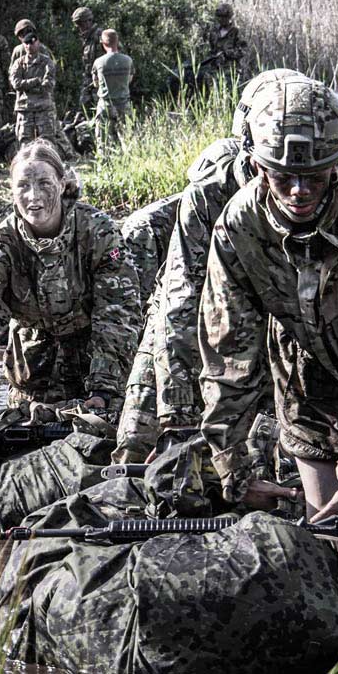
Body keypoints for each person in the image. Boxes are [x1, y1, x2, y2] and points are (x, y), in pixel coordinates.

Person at [196, 74, 338, 594]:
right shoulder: (237, 228)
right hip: (305, 385)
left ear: (337, 165)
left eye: (316, 177)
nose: (299, 191)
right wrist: (234, 468)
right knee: (334, 541)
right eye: (283, 178)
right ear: (257, 166)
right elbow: (227, 351)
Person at [112, 69, 298, 463]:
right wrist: (176, 413)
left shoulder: (316, 188)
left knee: (261, 455)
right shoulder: (209, 195)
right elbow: (179, 303)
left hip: (260, 329)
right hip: (183, 317)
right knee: (140, 455)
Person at [0, 139, 141, 438]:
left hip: (96, 373)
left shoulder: (99, 232)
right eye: (23, 186)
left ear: (63, 184)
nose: (33, 196)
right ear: (11, 191)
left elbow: (118, 315)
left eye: (44, 183)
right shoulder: (0, 246)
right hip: (32, 377)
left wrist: (103, 390)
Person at [8, 32, 71, 157]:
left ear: (38, 42)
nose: (29, 46)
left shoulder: (47, 62)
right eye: (26, 43)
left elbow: (48, 85)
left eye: (32, 42)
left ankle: (50, 166)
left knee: (48, 141)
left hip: (43, 108)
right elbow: (16, 84)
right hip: (25, 108)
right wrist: (36, 81)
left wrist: (27, 86)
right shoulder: (19, 63)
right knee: (24, 141)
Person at [90, 28, 133, 152]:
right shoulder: (128, 60)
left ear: (103, 43)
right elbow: (129, 80)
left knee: (102, 143)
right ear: (117, 41)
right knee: (127, 141)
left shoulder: (98, 62)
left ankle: (103, 167)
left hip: (105, 105)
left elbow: (95, 83)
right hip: (123, 105)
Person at [198, 3, 249, 82]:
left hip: (231, 71)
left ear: (229, 17)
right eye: (219, 17)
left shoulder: (236, 32)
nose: (221, 19)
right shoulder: (214, 32)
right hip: (214, 70)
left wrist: (227, 53)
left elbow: (243, 51)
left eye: (224, 17)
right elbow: (211, 49)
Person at [71, 7, 105, 113]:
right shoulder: (86, 39)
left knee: (101, 109)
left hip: (102, 79)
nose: (79, 28)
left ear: (88, 21)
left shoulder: (100, 36)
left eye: (80, 24)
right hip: (89, 79)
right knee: (83, 109)